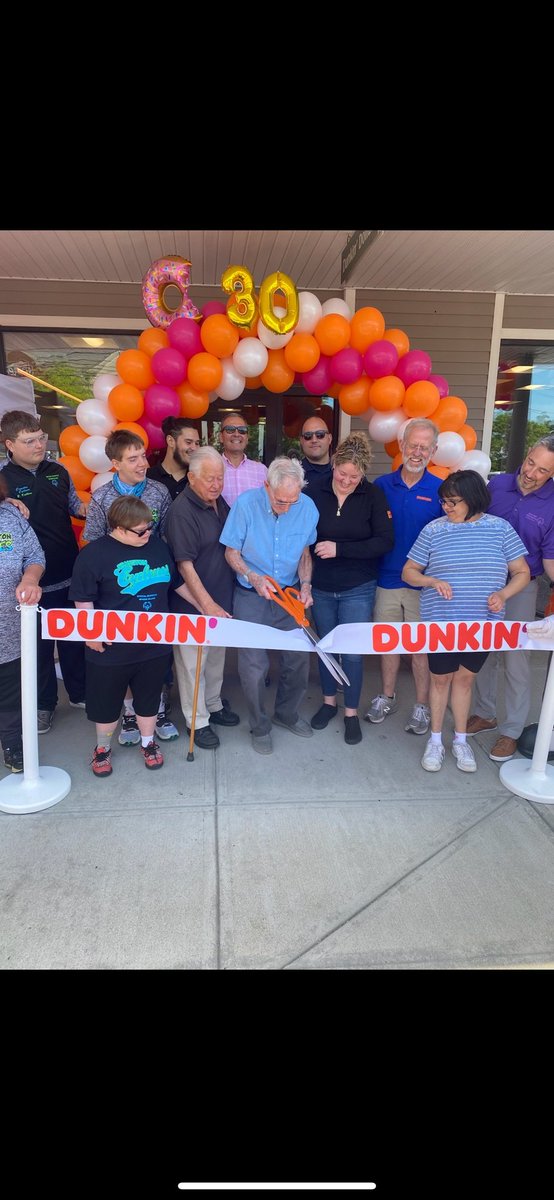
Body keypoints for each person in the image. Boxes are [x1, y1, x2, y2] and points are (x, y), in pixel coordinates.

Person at [402, 470, 530, 773]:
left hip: (481, 625)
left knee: (465, 680)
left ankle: (460, 740)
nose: (446, 507)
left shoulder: (500, 529)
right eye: (444, 501)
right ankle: (435, 740)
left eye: (453, 502)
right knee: (440, 679)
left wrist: (504, 593)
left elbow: (522, 571)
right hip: (442, 623)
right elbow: (409, 572)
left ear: (473, 499)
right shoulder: (434, 530)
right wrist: (431, 580)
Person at [69, 496, 181, 777]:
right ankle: (102, 748)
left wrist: (206, 607)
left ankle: (148, 742)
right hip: (111, 646)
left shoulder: (156, 545)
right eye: (140, 531)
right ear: (118, 528)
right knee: (105, 703)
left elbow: (176, 584)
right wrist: (89, 633)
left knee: (149, 696)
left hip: (154, 642)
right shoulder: (93, 555)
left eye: (149, 528)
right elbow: (83, 599)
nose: (147, 535)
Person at [83, 429, 175, 745]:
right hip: (116, 587)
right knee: (118, 658)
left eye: (143, 456)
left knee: (151, 657)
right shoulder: (101, 497)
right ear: (114, 463)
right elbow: (93, 540)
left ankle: (155, 710)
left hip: (150, 582)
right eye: (133, 458)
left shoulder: (159, 492)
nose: (142, 464)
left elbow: (162, 536)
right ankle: (129, 716)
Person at [221, 457, 318, 755]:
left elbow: (304, 553)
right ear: (266, 485)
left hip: (290, 593)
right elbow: (231, 552)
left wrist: (305, 585)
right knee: (252, 667)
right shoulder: (246, 505)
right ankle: (260, 725)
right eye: (280, 500)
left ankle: (286, 714)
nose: (286, 506)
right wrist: (252, 575)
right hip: (252, 594)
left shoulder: (308, 507)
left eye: (293, 500)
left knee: (299, 658)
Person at [466, 436, 554, 762]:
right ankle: (485, 713)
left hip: (521, 587)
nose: (531, 473)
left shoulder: (553, 502)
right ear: (527, 452)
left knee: (515, 659)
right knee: (482, 652)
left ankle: (512, 731)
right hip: (482, 582)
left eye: (542, 470)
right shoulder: (497, 485)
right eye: (531, 462)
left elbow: (549, 559)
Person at [0, 409, 87, 733]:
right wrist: (7, 503)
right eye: (29, 441)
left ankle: (79, 693)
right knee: (36, 648)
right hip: (27, 583)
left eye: (40, 438)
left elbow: (73, 506)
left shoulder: (59, 470)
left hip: (67, 569)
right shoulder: (3, 479)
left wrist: (94, 509)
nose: (39, 445)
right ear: (10, 444)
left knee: (72, 640)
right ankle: (44, 706)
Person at [306, 432, 394, 745]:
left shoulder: (372, 495)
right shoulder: (315, 490)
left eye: (354, 477)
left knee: (353, 654)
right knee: (326, 648)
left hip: (358, 585)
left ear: (363, 474)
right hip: (321, 586)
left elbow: (384, 541)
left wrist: (340, 549)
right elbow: (301, 534)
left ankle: (351, 712)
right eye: (341, 473)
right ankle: (329, 703)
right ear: (333, 465)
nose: (346, 481)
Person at [366, 418, 442, 735]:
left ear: (434, 451)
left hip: (422, 586)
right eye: (413, 445)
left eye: (425, 447)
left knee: (420, 649)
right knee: (388, 644)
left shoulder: (441, 490)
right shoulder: (382, 486)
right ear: (402, 445)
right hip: (386, 579)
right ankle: (387, 696)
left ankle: (422, 706)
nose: (418, 452)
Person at [165, 447, 240, 750]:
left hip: (220, 599)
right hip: (193, 605)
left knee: (215, 660)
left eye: (220, 478)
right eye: (209, 479)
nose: (216, 484)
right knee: (193, 666)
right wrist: (207, 605)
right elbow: (184, 565)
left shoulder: (216, 502)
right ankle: (197, 720)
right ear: (192, 477)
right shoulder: (181, 512)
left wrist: (218, 606)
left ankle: (213, 705)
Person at [0, 472, 45, 772]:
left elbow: (35, 555)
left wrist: (30, 578)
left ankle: (12, 744)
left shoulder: (10, 515)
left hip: (11, 627)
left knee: (10, 692)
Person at [219, 411, 267, 506]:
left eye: (242, 430)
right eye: (230, 429)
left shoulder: (261, 470)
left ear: (247, 438)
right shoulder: (211, 468)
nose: (237, 434)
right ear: (221, 437)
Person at [146, 417, 201, 499]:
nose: (194, 448)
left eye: (197, 443)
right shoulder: (148, 478)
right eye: (188, 442)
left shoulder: (199, 479)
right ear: (170, 441)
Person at [299, 414, 333, 486]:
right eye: (308, 436)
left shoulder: (342, 474)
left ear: (329, 439)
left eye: (320, 435)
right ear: (301, 441)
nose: (314, 440)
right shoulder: (293, 474)